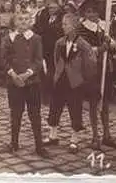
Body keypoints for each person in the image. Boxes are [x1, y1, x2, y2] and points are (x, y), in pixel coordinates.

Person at [43, 13, 97, 153]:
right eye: (62, 24)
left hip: (75, 82)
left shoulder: (83, 45)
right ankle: (53, 135)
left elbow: (89, 65)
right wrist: (58, 73)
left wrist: (82, 79)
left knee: (75, 109)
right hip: (61, 79)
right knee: (55, 107)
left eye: (65, 24)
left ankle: (74, 139)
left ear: (74, 26)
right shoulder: (59, 42)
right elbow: (56, 59)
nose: (63, 27)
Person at [0, 10, 48, 158]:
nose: (23, 22)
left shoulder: (36, 39)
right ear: (14, 22)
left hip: (32, 82)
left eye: (26, 19)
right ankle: (14, 143)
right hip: (14, 82)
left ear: (30, 22)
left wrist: (27, 73)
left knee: (35, 114)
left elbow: (38, 61)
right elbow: (3, 59)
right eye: (20, 19)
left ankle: (39, 146)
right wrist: (13, 75)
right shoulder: (8, 39)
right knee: (16, 113)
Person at [78, 0, 116, 150]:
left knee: (105, 103)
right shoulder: (81, 29)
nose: (92, 15)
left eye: (95, 11)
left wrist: (111, 43)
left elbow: (114, 45)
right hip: (91, 71)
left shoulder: (104, 26)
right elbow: (86, 50)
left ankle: (107, 135)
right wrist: (102, 47)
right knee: (94, 104)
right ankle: (95, 136)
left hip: (105, 69)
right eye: (89, 12)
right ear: (84, 13)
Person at [40, 2, 64, 104]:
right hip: (47, 50)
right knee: (48, 71)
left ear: (58, 9)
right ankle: (47, 96)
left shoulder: (61, 20)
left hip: (57, 49)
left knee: (55, 71)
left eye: (53, 8)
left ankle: (56, 95)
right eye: (49, 8)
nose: (51, 10)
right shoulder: (46, 19)